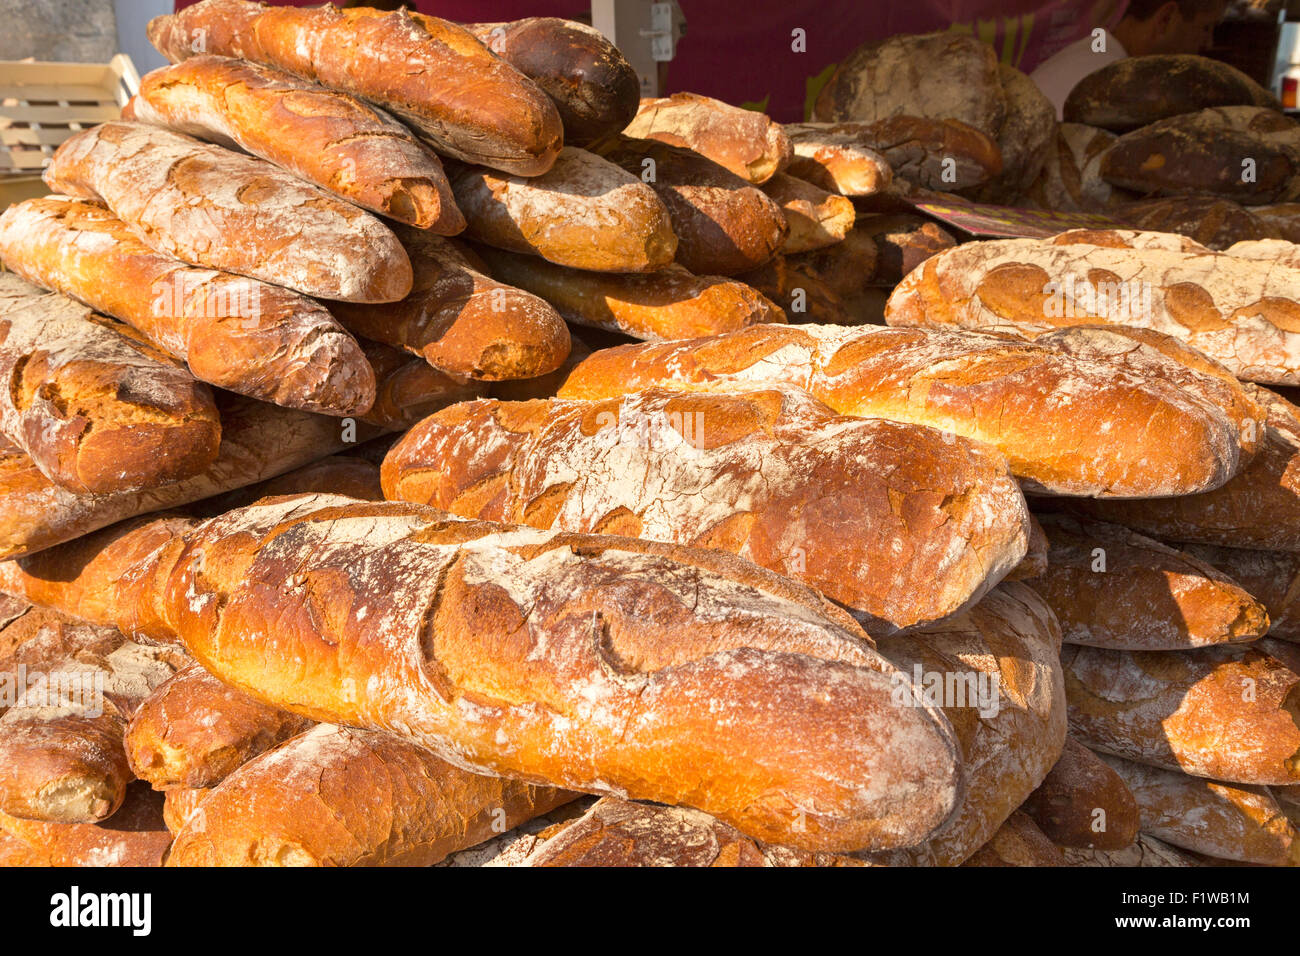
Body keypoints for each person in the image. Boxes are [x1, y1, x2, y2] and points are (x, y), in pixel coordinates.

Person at [1031, 0, 1229, 118]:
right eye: (1206, 27)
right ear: (1165, 19)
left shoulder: (1091, 51)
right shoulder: (1117, 89)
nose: (1208, 43)